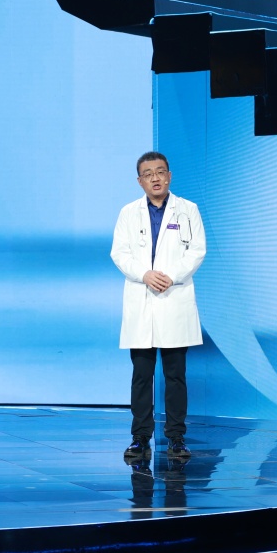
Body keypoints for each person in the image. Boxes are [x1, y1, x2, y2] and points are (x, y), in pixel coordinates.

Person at [110, 151, 206, 459]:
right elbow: (119, 253)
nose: (155, 178)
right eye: (148, 174)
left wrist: (171, 277)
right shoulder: (129, 212)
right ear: (139, 180)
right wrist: (145, 274)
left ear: (169, 176)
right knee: (142, 375)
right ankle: (140, 438)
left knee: (175, 375)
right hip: (142, 297)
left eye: (160, 172)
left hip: (174, 297)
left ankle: (176, 437)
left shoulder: (188, 210)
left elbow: (197, 251)